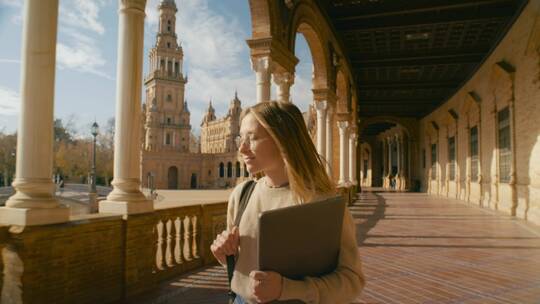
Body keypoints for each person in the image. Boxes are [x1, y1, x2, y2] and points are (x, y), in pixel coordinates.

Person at [211, 101, 365, 304]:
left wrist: (287, 289)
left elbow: (352, 280)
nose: (241, 148)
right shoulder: (241, 195)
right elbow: (246, 271)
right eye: (241, 137)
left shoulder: (322, 201)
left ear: (282, 140)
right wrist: (227, 258)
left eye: (252, 138)